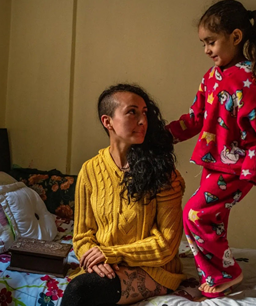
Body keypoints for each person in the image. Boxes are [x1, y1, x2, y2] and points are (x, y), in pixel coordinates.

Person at [166, 0, 256, 299]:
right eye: (203, 43)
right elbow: (195, 118)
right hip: (214, 164)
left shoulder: (251, 77)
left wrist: (254, 162)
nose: (207, 50)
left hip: (236, 166)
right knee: (212, 220)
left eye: (211, 41)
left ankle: (226, 273)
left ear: (236, 37)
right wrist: (163, 135)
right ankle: (218, 274)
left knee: (195, 214)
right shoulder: (211, 78)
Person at [61, 83, 186, 306]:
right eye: (132, 112)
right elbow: (82, 235)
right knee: (83, 288)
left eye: (145, 113)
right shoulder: (89, 170)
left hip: (154, 269)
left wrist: (111, 253)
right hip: (109, 265)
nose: (142, 121)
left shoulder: (164, 174)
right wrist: (96, 261)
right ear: (107, 121)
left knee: (81, 291)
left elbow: (167, 245)